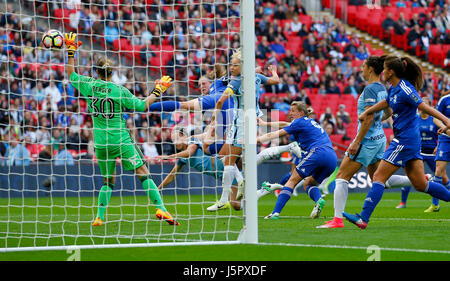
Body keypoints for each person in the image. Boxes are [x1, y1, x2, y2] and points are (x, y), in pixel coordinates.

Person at [63, 32, 178, 226]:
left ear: (96, 71)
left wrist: (71, 52)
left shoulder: (88, 85)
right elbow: (142, 106)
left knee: (108, 181)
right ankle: (161, 208)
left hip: (100, 142)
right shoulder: (119, 90)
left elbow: (71, 74)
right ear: (112, 72)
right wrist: (158, 90)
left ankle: (99, 217)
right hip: (120, 139)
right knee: (143, 172)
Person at [343, 55, 450, 229]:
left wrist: (446, 119)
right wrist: (367, 112)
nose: (382, 71)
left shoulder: (406, 89)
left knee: (378, 177)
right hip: (410, 141)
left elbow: (422, 106)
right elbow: (386, 103)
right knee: (420, 184)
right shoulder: (393, 88)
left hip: (404, 140)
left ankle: (363, 218)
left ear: (391, 72)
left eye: (384, 69)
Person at [208, 49, 280, 211]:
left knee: (229, 160)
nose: (231, 68)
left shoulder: (236, 82)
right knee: (233, 158)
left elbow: (220, 101)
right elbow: (275, 80)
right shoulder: (256, 78)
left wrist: (213, 119)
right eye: (231, 65)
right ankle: (240, 183)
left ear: (243, 66)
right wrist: (273, 71)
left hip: (240, 122)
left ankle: (224, 199)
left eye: (235, 65)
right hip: (251, 120)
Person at [257, 101, 337, 220]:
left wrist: (258, 139)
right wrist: (265, 123)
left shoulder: (299, 122)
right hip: (332, 158)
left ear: (301, 112)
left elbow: (277, 133)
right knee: (309, 184)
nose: (290, 113)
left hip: (317, 153)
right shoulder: (308, 121)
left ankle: (275, 213)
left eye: (293, 111)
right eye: (290, 110)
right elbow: (284, 123)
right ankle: (319, 200)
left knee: (291, 181)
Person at [157, 128, 243, 211]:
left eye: (176, 138)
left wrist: (169, 157)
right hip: (222, 175)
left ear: (184, 136)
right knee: (236, 206)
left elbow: (189, 152)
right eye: (173, 140)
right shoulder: (182, 159)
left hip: (227, 166)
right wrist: (158, 188)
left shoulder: (192, 140)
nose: (175, 142)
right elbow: (172, 175)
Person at [395, 96, 440, 211]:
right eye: (422, 102)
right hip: (417, 151)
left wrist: (438, 145)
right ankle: (403, 202)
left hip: (431, 153)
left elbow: (442, 132)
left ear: (429, 106)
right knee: (410, 176)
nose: (423, 105)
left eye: (426, 103)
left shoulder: (434, 119)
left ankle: (435, 204)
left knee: (439, 177)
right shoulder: (415, 118)